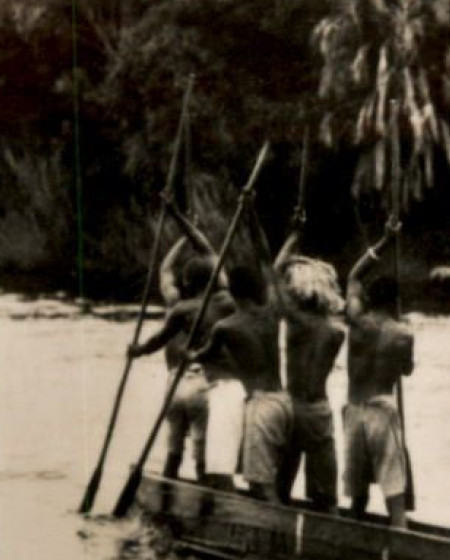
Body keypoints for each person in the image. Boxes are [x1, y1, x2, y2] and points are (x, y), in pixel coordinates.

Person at [126, 201, 234, 481]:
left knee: (173, 448)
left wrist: (137, 351)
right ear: (212, 281)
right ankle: (201, 500)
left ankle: (167, 493)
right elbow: (210, 252)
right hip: (202, 385)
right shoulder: (223, 303)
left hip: (174, 385)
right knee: (202, 453)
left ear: (185, 283)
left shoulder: (177, 306)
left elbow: (164, 270)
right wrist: (190, 229)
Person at [189, 261, 290, 503]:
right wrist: (293, 234)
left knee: (260, 483)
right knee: (270, 479)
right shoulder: (272, 313)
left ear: (232, 293)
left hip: (261, 405)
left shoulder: (224, 327)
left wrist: (187, 355)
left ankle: (275, 531)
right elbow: (273, 269)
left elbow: (202, 355)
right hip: (284, 402)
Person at [344, 218, 415, 527]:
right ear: (395, 302)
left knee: (357, 493)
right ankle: (400, 535)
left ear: (371, 299)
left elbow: (354, 275)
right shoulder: (403, 333)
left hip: (354, 411)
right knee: (394, 491)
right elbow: (407, 370)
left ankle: (353, 533)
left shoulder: (357, 322)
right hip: (382, 412)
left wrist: (384, 242)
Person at [272, 213, 345, 511]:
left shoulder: (296, 323)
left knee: (281, 482)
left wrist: (293, 236)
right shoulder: (336, 330)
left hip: (291, 407)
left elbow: (274, 273)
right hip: (317, 409)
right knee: (325, 493)